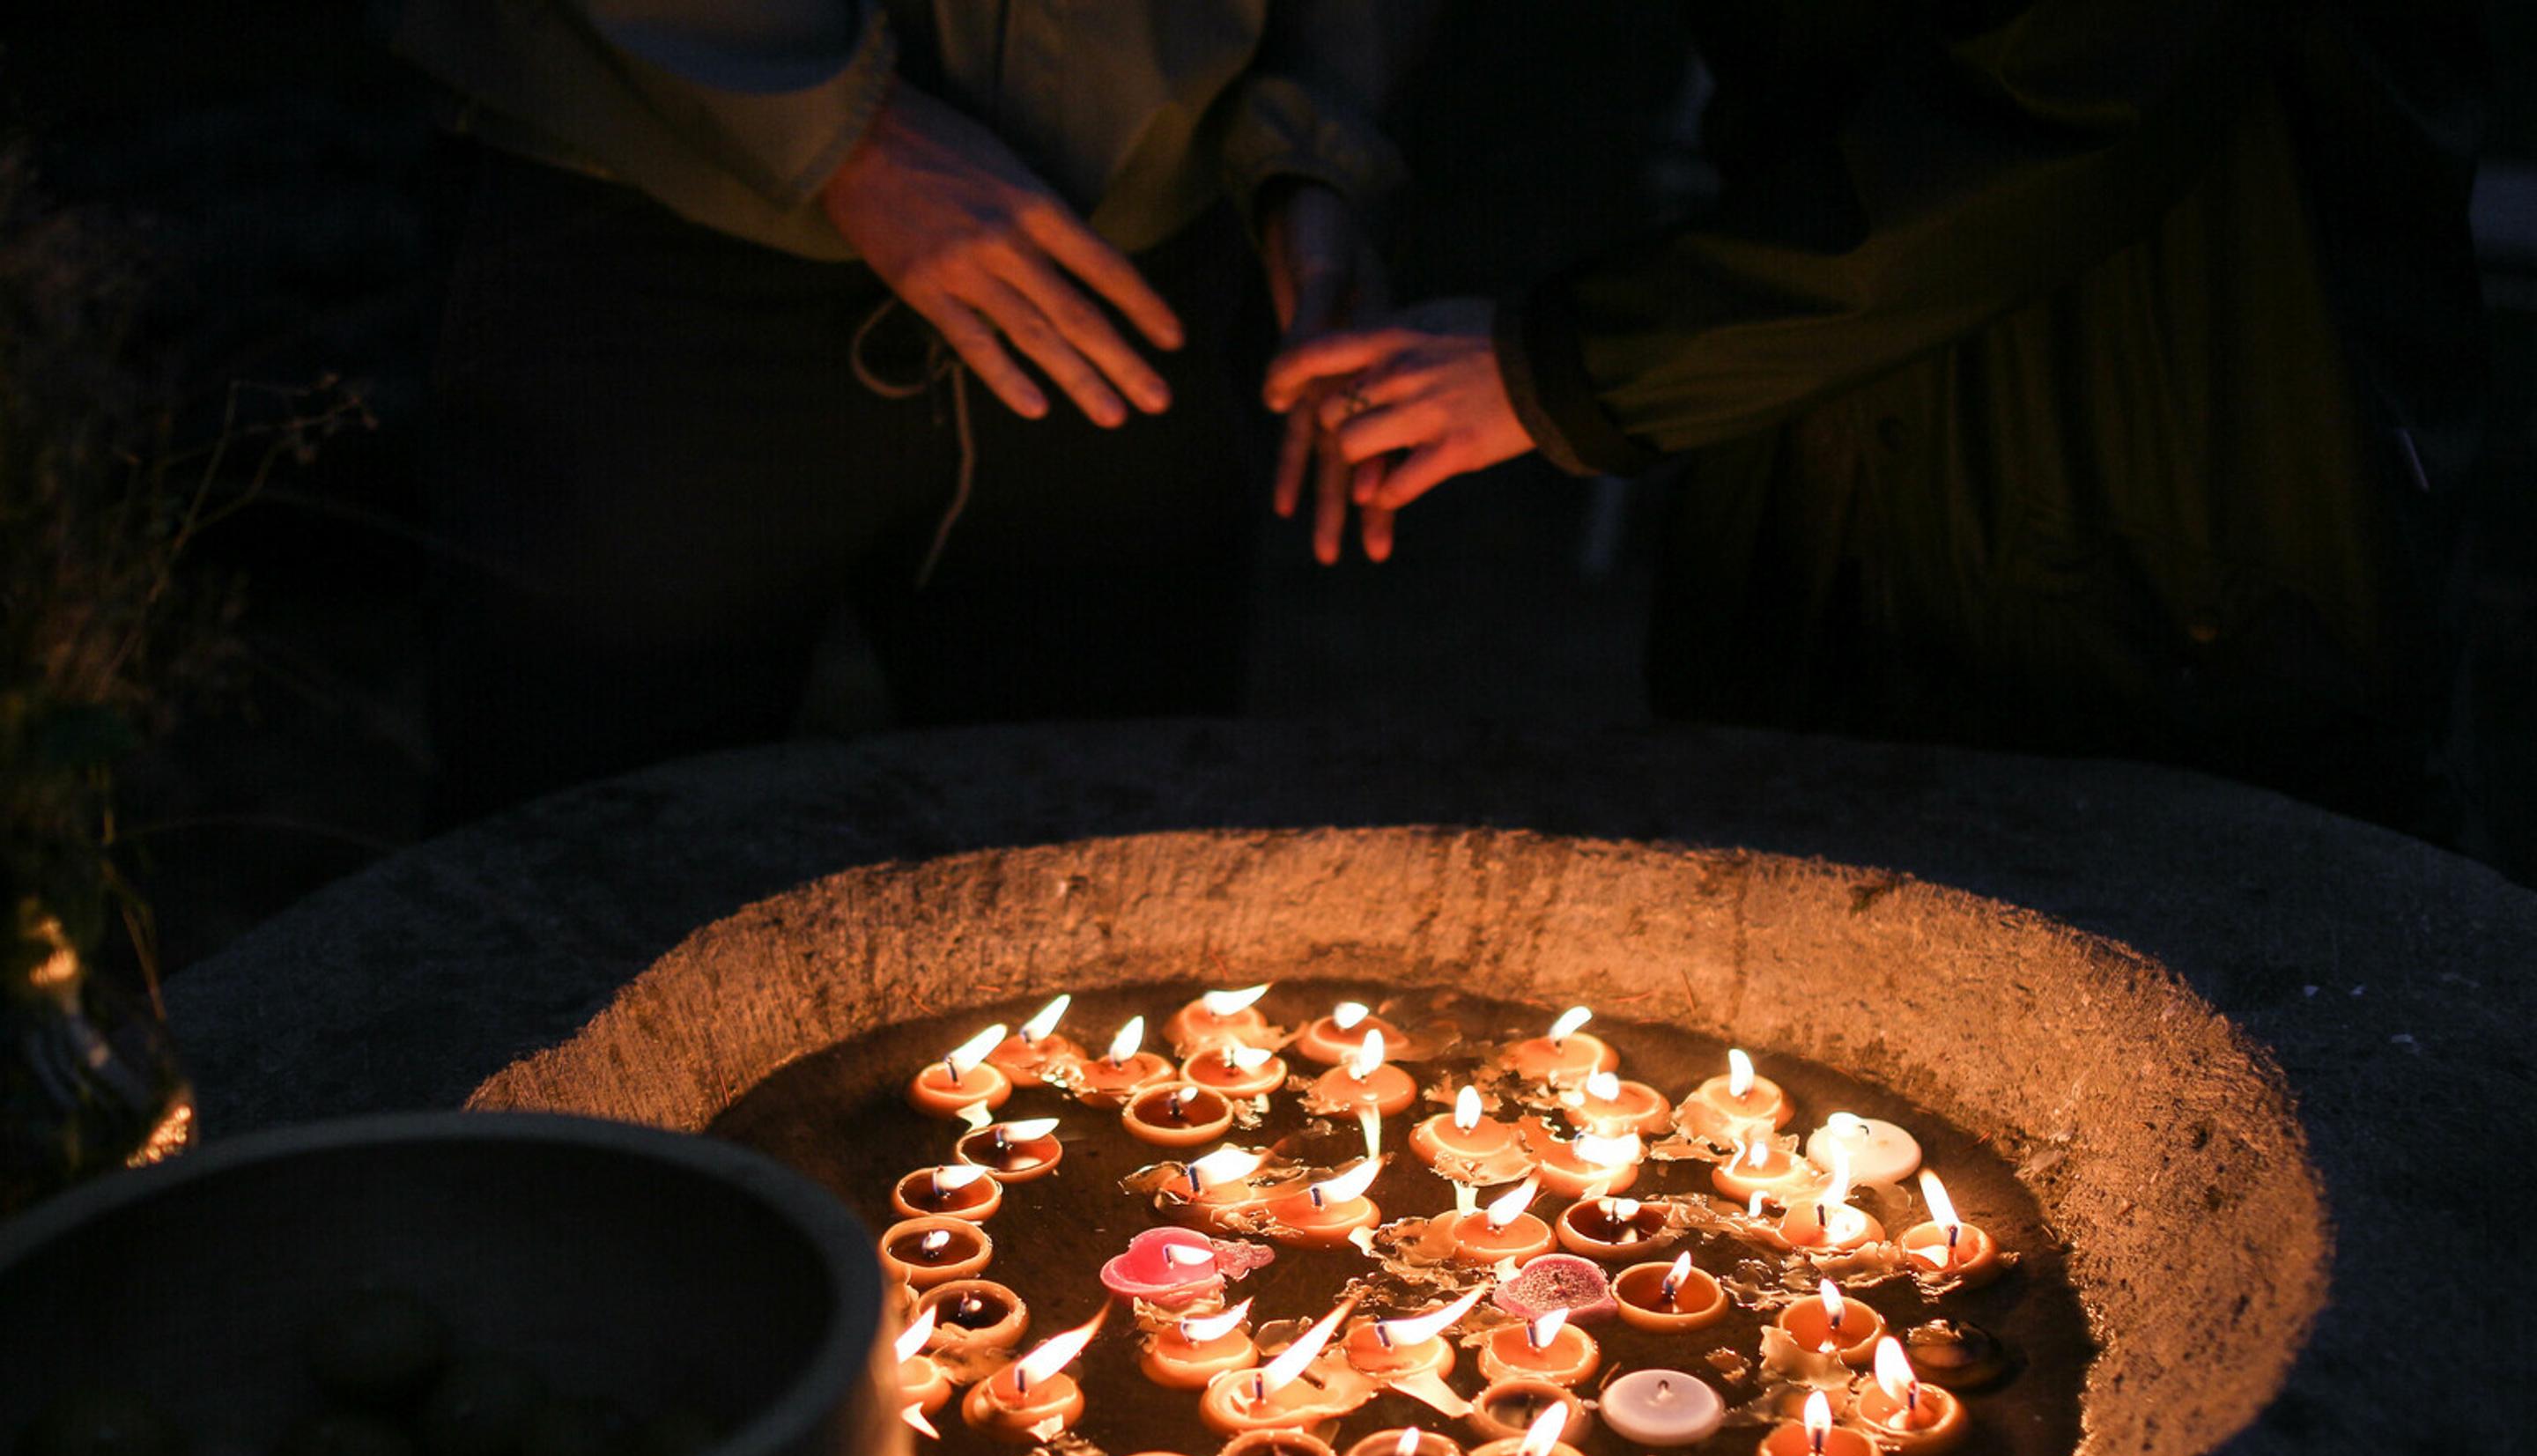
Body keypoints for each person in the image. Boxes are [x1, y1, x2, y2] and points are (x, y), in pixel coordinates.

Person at [1268, 1, 2488, 834]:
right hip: (1827, 477)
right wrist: (1311, 165)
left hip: (2176, 509)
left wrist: (1569, 367)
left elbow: (2077, 98)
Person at [393, 2, 1425, 820]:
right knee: (589, 855)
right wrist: (840, 127)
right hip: (658, 195)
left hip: (1122, 250)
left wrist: (1310, 148)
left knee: (1108, 860)